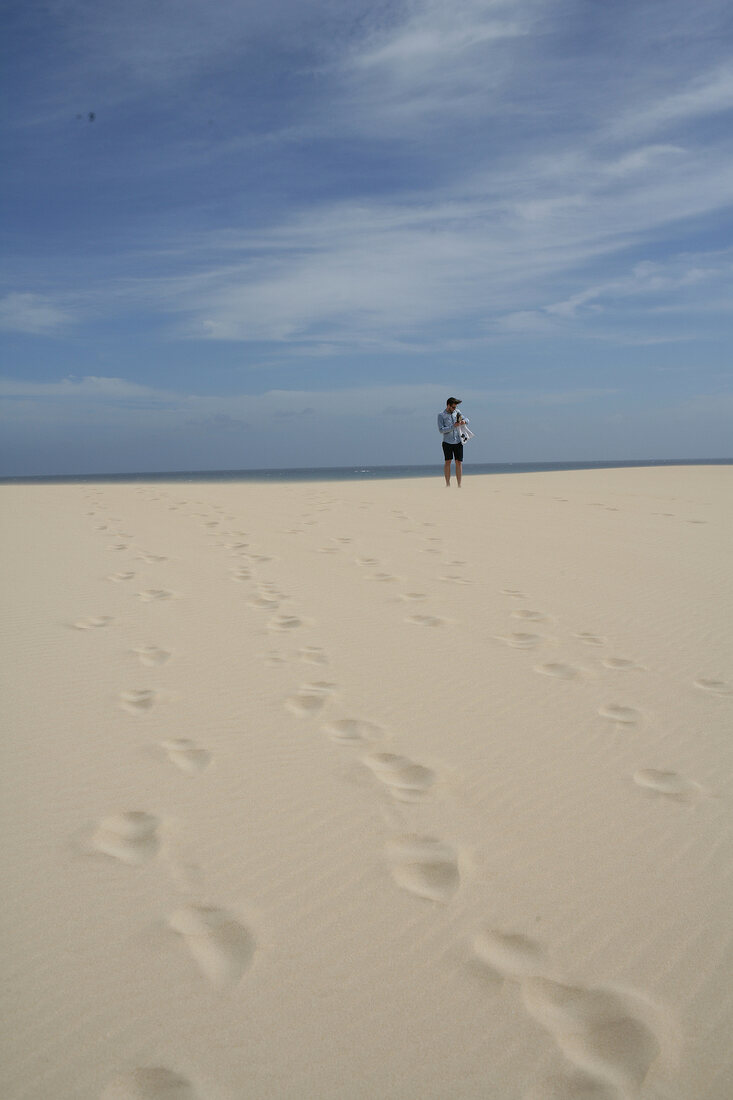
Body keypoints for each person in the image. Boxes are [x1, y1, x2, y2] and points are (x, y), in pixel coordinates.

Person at [437, 397, 469, 487]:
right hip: (447, 442)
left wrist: (463, 421)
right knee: (448, 462)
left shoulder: (457, 412)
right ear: (448, 405)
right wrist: (453, 426)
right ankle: (448, 484)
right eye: (453, 407)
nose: (454, 409)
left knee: (459, 462)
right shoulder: (441, 415)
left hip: (458, 441)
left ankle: (459, 484)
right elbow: (441, 430)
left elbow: (467, 420)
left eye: (455, 407)